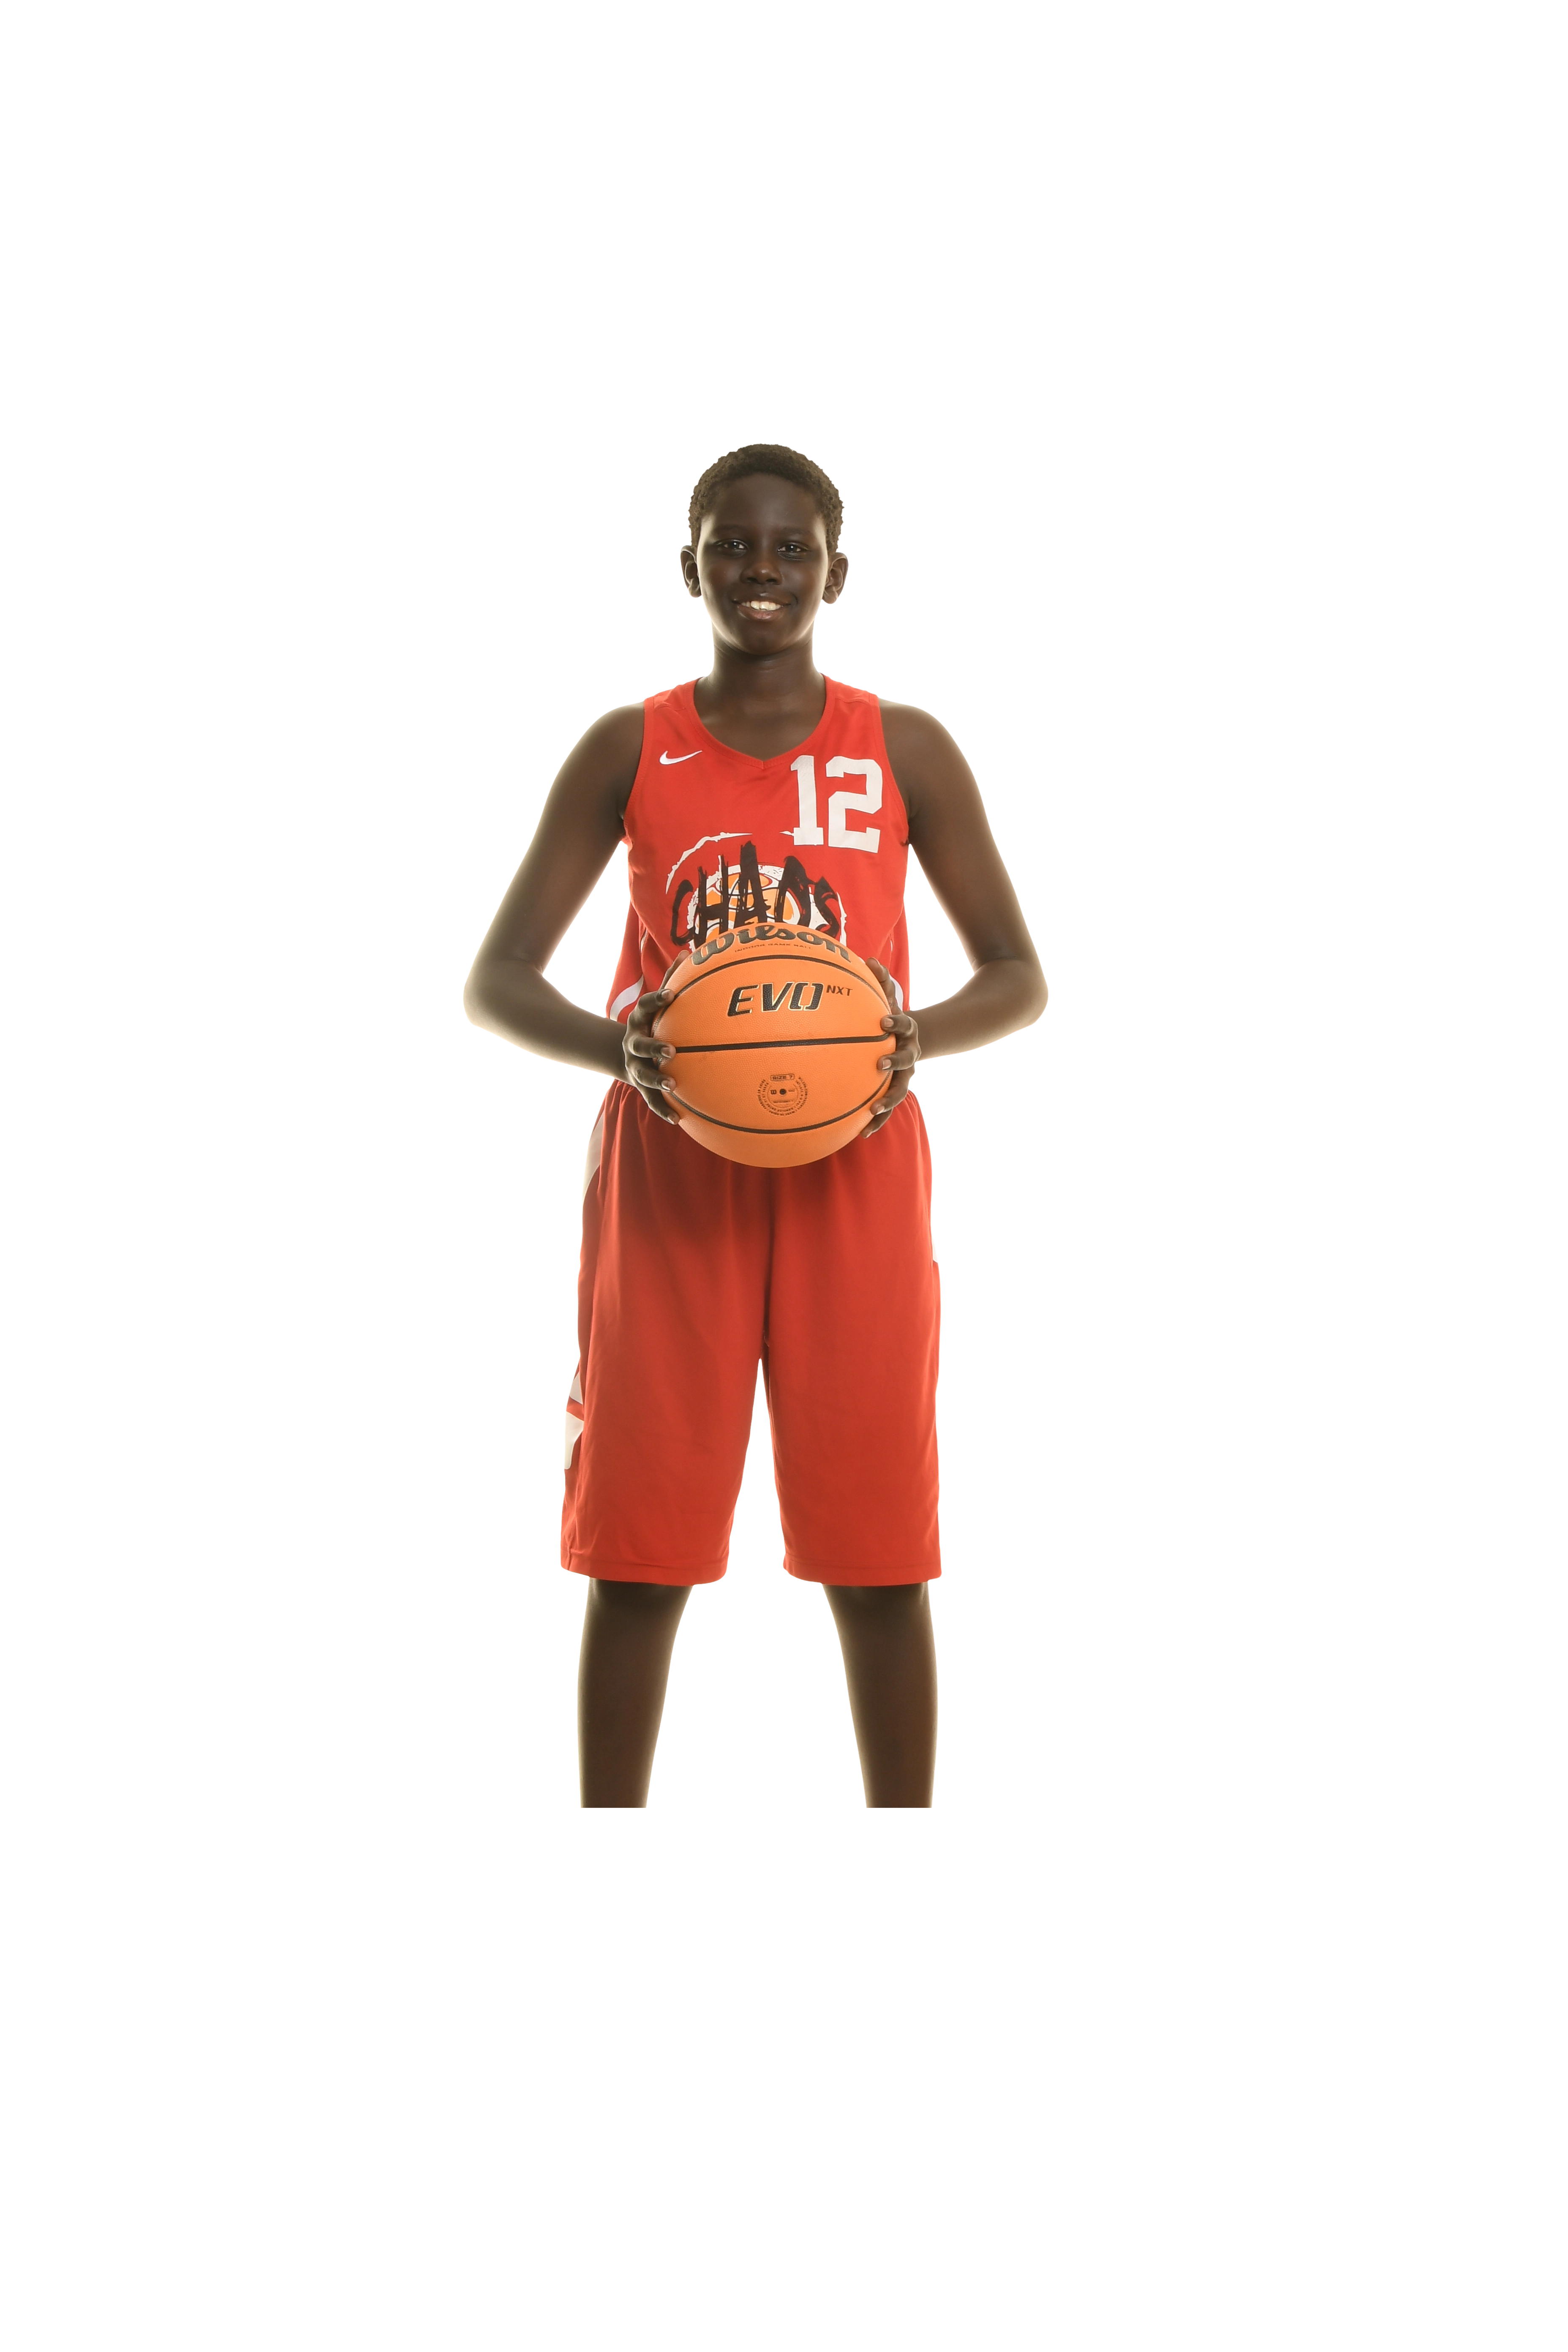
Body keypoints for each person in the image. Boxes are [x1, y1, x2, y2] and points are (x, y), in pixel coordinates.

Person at [464, 444, 1047, 1807]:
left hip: (859, 1162)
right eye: (733, 545)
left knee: (879, 1558)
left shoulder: (905, 747)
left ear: (837, 574)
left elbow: (1020, 975)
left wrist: (911, 1039)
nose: (762, 570)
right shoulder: (630, 746)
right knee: (641, 1555)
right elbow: (497, 979)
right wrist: (628, 1052)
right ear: (691, 568)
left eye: (793, 548)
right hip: (672, 1169)